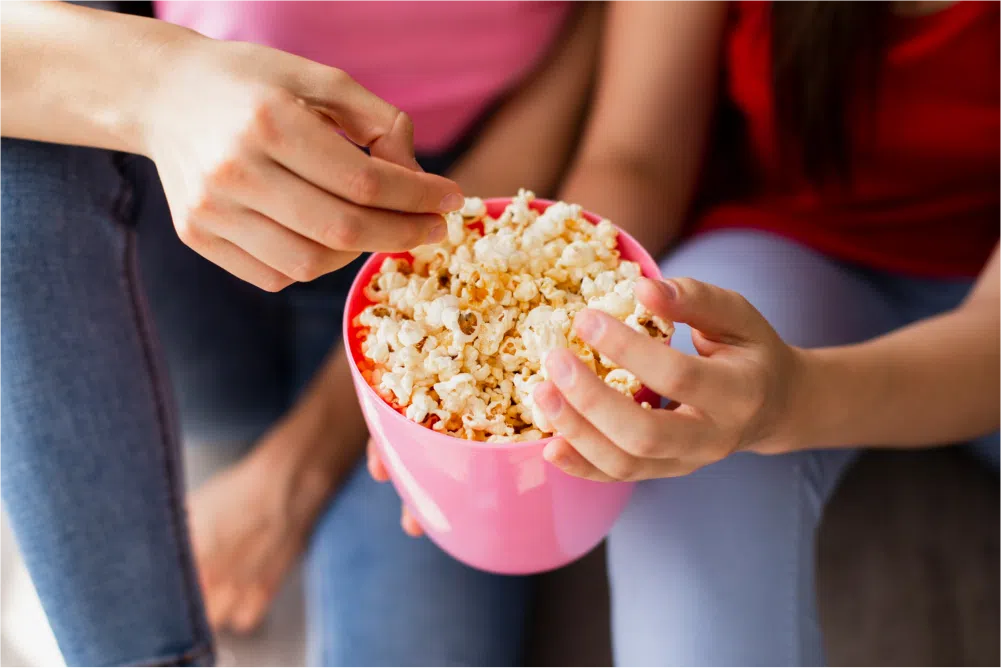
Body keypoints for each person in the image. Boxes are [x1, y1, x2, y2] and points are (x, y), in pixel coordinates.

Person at [371, 0, 1001, 666]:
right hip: (781, 253)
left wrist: (792, 402)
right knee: (679, 431)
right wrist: (508, 372)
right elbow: (635, 158)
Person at [0, 1, 600, 666]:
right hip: (180, 214)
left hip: (438, 271)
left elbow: (598, 49)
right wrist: (161, 87)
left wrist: (291, 475)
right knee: (17, 162)